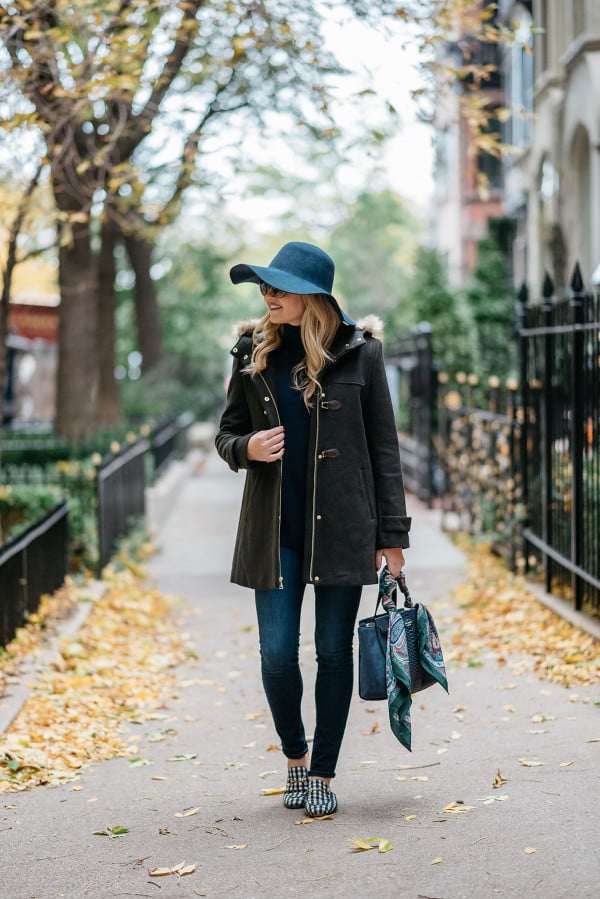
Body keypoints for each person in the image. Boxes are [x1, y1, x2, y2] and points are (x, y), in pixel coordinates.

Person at [215, 241, 411, 817]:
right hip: (273, 529)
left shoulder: (362, 354)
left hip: (345, 527)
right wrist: (247, 447)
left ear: (313, 297)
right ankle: (295, 759)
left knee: (332, 652)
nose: (268, 296)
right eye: (265, 287)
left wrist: (393, 538)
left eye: (280, 287)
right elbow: (226, 435)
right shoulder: (252, 351)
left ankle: (323, 772)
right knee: (276, 654)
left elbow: (384, 450)